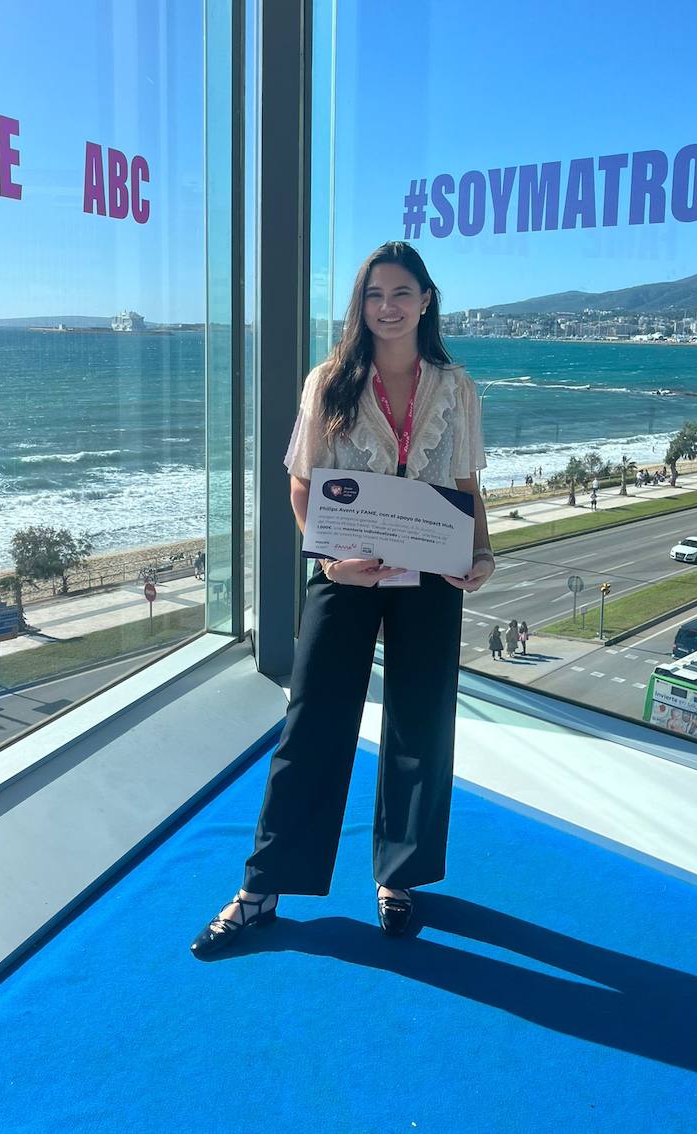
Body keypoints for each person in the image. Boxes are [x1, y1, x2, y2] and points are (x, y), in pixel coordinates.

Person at [191, 240, 493, 958]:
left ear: (426, 300)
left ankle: (399, 877)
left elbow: (468, 486)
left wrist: (482, 551)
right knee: (312, 726)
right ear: (358, 306)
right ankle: (261, 887)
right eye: (372, 295)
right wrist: (327, 557)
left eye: (400, 293)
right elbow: (300, 482)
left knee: (422, 724)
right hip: (344, 572)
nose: (386, 308)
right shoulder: (327, 380)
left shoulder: (456, 385)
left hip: (429, 576)